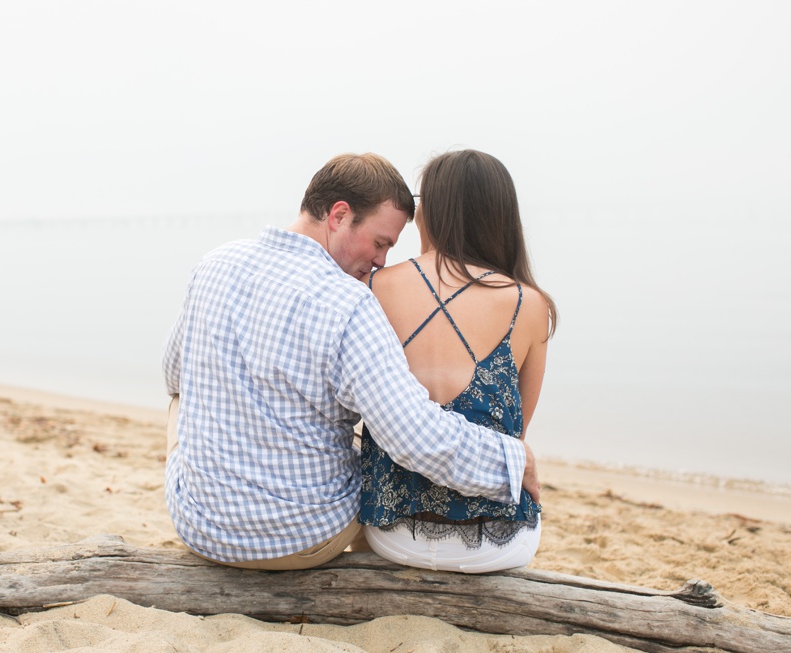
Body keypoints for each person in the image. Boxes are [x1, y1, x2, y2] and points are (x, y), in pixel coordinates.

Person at [162, 153, 541, 570]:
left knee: (182, 401)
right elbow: (414, 436)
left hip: (200, 527)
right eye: (381, 243)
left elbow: (175, 374)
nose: (381, 261)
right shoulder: (347, 302)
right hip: (303, 538)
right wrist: (510, 460)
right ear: (340, 216)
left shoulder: (214, 264)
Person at [360, 150, 556, 573]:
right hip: (493, 546)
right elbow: (516, 434)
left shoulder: (373, 285)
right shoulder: (528, 302)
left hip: (392, 536)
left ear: (434, 210)